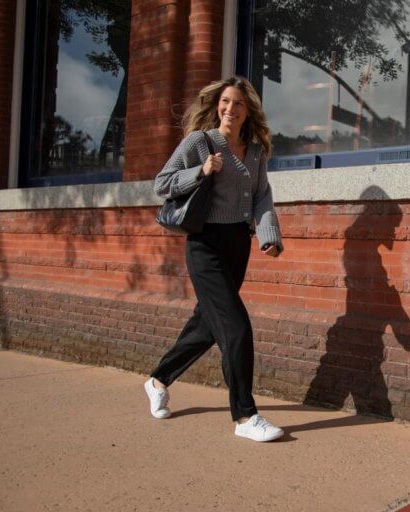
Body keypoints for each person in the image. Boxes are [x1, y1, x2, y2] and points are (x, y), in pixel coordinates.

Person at [144, 76, 284, 442]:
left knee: (206, 327)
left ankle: (158, 380)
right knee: (236, 326)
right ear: (216, 105)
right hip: (204, 244)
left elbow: (262, 197)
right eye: (225, 101)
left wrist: (269, 235)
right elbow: (162, 183)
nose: (229, 109)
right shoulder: (200, 142)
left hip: (238, 245)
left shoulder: (255, 152)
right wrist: (202, 171)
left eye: (238, 104)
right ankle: (245, 417)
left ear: (247, 111)